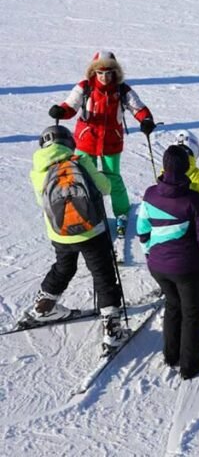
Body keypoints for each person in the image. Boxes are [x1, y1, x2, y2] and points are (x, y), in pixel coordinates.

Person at [24, 125, 128, 352]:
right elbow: (106, 188)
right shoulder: (79, 159)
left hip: (60, 233)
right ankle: (112, 327)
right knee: (102, 273)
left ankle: (44, 306)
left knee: (64, 267)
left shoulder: (37, 169)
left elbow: (43, 203)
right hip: (92, 230)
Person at [48, 50, 156, 235]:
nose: (104, 77)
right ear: (94, 72)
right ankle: (86, 211)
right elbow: (71, 105)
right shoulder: (85, 87)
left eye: (108, 73)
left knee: (112, 178)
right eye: (100, 73)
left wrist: (146, 120)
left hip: (111, 141)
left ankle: (121, 212)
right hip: (86, 140)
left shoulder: (122, 90)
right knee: (82, 177)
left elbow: (138, 107)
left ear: (115, 73)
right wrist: (60, 111)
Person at [136, 145, 199, 379]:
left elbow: (142, 229)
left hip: (158, 266)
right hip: (187, 268)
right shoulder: (192, 199)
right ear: (186, 168)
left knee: (172, 306)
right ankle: (189, 364)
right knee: (191, 314)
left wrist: (149, 254)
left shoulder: (150, 193)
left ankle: (171, 354)